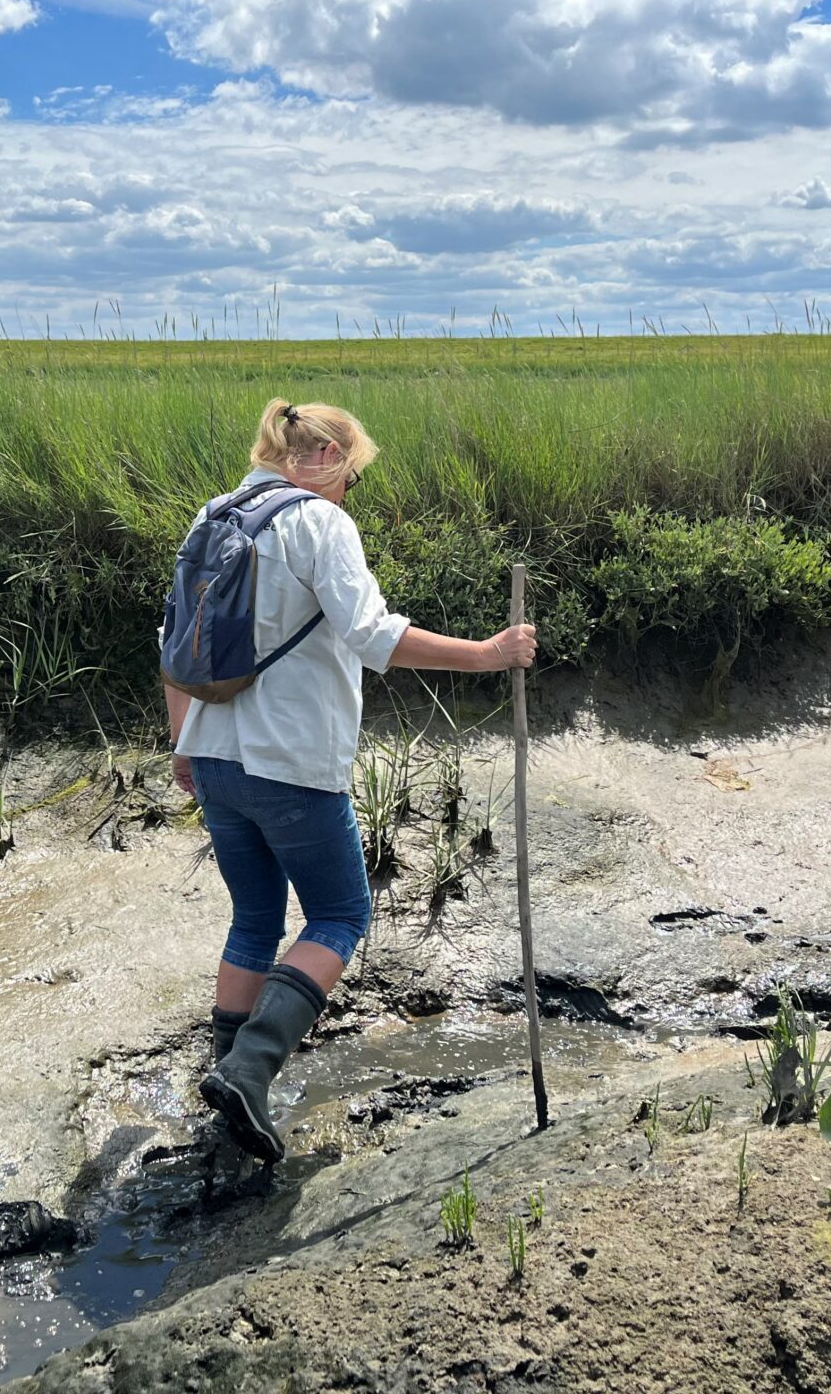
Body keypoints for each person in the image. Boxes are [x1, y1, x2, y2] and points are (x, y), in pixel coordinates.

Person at [170, 400, 537, 1164]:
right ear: (329, 454)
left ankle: (226, 1091)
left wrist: (183, 743)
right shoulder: (317, 523)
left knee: (255, 918)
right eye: (354, 477)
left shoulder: (213, 515)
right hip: (291, 760)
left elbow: (173, 645)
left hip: (211, 753)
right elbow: (373, 635)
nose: (348, 492)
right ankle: (247, 1071)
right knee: (340, 910)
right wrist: (488, 653)